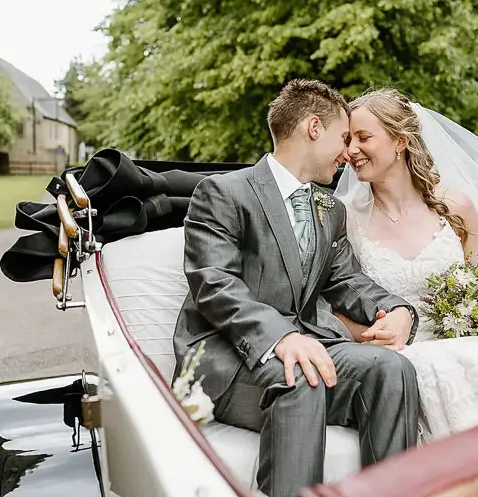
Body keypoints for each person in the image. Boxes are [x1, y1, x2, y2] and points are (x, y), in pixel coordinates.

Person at [173, 79, 421, 497]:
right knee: (300, 375)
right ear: (313, 128)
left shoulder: (331, 209)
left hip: (311, 347)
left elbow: (346, 280)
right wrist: (283, 336)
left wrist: (398, 310)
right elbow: (214, 283)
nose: (348, 153)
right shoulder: (223, 193)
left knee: (392, 369)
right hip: (230, 359)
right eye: (343, 137)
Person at [332, 88, 478, 441]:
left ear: (399, 141)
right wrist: (370, 336)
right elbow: (331, 299)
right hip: (396, 356)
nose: (351, 151)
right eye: (348, 140)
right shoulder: (343, 216)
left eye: (363, 138)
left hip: (465, 342)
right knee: (435, 368)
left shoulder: (457, 206)